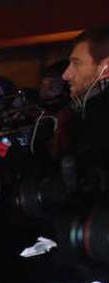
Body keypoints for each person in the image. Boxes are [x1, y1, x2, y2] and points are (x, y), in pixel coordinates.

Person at [62, 27, 109, 177]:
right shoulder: (88, 109)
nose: (65, 75)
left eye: (76, 63)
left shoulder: (99, 115)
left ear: (106, 69)